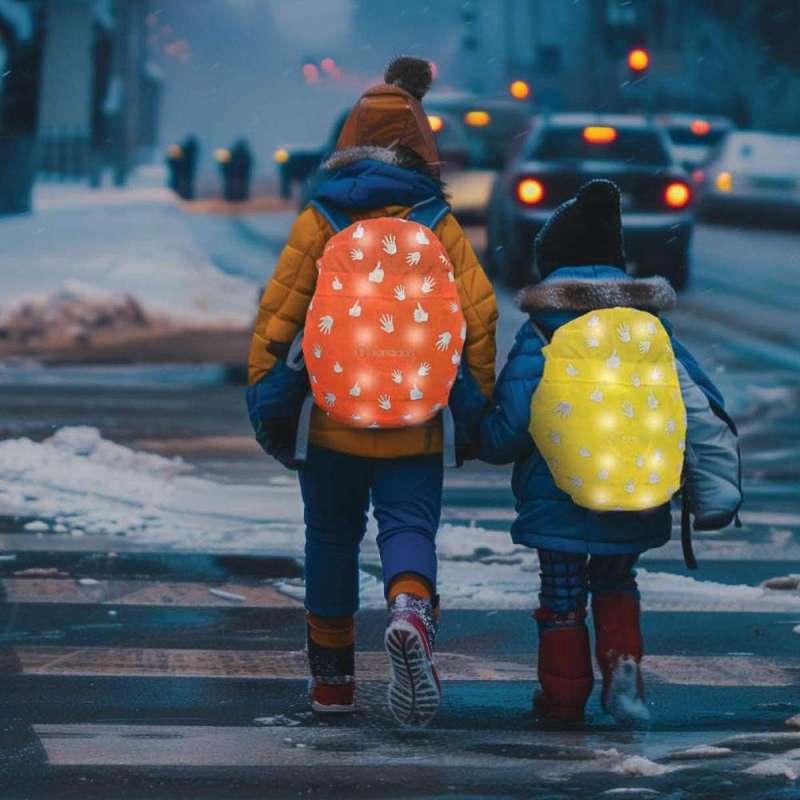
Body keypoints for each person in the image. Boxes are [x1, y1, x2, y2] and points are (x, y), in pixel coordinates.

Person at [246, 57, 497, 726]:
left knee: (330, 535)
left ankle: (332, 684)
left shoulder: (321, 217)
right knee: (407, 527)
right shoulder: (437, 222)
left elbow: (280, 318)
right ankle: (411, 611)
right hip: (416, 412)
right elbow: (478, 318)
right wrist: (472, 405)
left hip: (329, 413)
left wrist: (266, 397)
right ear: (423, 144)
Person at [451, 179, 740, 724]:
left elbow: (507, 431)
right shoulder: (651, 329)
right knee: (615, 580)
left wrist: (471, 418)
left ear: (552, 266)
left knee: (561, 596)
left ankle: (562, 699)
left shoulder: (542, 333)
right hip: (634, 491)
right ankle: (623, 664)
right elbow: (703, 407)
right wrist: (715, 492)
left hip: (556, 497)